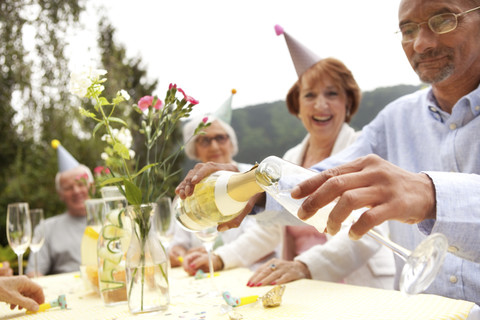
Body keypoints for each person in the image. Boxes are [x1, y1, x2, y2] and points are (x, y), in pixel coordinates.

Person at [176, 0, 480, 310]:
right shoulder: (393, 120)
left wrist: (431, 194)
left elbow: (362, 228)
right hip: (420, 312)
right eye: (408, 29)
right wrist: (253, 185)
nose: (421, 42)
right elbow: (327, 178)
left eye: (444, 20)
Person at [178, 27, 395, 289]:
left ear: (348, 102)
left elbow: (369, 230)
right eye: (310, 95)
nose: (320, 105)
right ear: (298, 107)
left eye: (332, 93)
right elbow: (268, 231)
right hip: (301, 284)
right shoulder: (291, 157)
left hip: (358, 283)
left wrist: (305, 266)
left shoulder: (363, 148)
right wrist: (221, 257)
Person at [170, 93, 276, 274]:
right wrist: (181, 254)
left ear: (231, 142)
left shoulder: (253, 177)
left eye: (220, 138)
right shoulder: (189, 191)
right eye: (204, 140)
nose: (214, 146)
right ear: (194, 149)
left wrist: (219, 257)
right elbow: (177, 244)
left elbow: (268, 232)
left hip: (253, 273)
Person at [26, 140, 93, 276]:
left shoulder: (115, 221)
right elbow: (33, 274)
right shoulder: (45, 228)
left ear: (92, 186)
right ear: (60, 195)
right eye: (68, 187)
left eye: (81, 184)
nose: (76, 191)